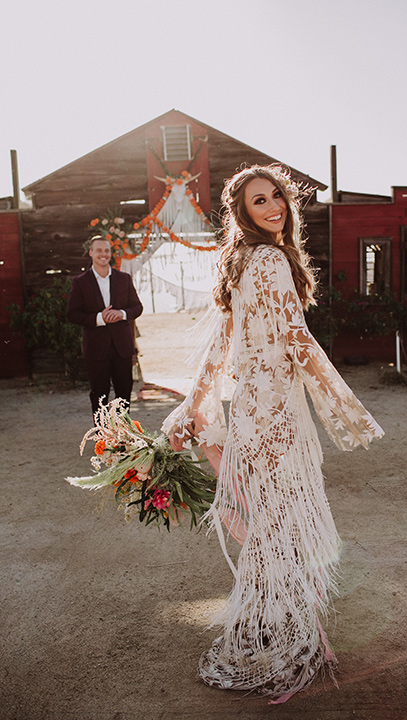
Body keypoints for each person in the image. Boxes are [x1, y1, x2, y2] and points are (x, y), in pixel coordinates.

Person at [162, 165, 384, 703]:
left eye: (277, 196)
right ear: (243, 213)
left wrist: (195, 406)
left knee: (270, 524)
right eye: (259, 201)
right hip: (276, 411)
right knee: (279, 525)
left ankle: (264, 627)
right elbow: (297, 339)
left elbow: (224, 347)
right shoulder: (271, 260)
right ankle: (279, 638)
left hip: (251, 409)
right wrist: (346, 407)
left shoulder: (239, 262)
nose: (274, 207)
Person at [67, 236, 143, 416]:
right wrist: (100, 318)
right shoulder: (80, 282)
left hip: (122, 347)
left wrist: (122, 314)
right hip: (95, 348)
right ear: (91, 253)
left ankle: (123, 438)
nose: (104, 254)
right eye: (99, 250)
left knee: (124, 395)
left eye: (107, 250)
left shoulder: (124, 278)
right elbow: (72, 314)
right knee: (99, 395)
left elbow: (137, 307)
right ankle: (102, 439)